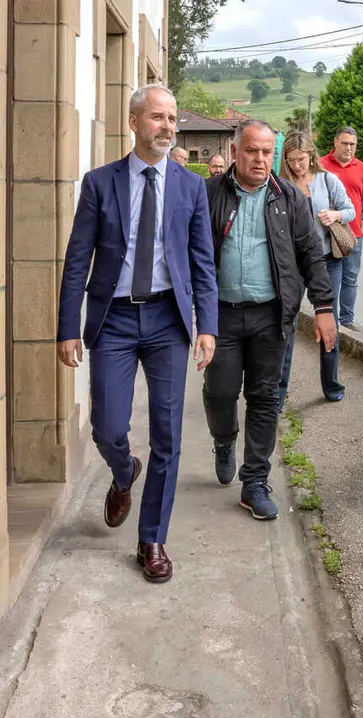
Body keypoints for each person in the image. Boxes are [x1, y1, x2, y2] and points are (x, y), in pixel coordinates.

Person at [56, 83, 218, 583]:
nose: (168, 127)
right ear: (133, 122)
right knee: (107, 426)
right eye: (157, 118)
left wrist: (206, 325)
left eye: (172, 119)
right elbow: (78, 257)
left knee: (168, 435)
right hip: (115, 320)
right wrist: (68, 326)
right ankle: (124, 471)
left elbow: (202, 262)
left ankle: (152, 539)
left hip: (169, 319)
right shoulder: (100, 183)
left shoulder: (190, 187)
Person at [203, 119, 337, 521]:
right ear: (235, 151)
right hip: (222, 315)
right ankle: (224, 440)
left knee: (265, 398)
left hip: (270, 315)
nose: (260, 159)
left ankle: (255, 482)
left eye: (266, 152)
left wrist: (325, 307)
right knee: (221, 391)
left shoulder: (290, 199)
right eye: (251, 151)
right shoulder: (208, 193)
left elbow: (312, 252)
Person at [277, 130, 356, 408]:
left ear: (311, 156)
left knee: (329, 324)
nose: (297, 165)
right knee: (285, 324)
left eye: (301, 159)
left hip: (326, 261)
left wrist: (335, 215)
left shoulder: (327, 180)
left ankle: (331, 384)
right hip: (292, 265)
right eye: (292, 160)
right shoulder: (280, 185)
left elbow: (350, 211)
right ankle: (279, 390)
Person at [321, 127, 363, 330]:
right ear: (335, 142)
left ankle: (347, 320)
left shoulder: (362, 169)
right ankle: (331, 320)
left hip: (353, 233)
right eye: (345, 143)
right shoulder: (321, 165)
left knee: (350, 279)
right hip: (327, 233)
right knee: (329, 281)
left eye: (353, 144)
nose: (349, 148)